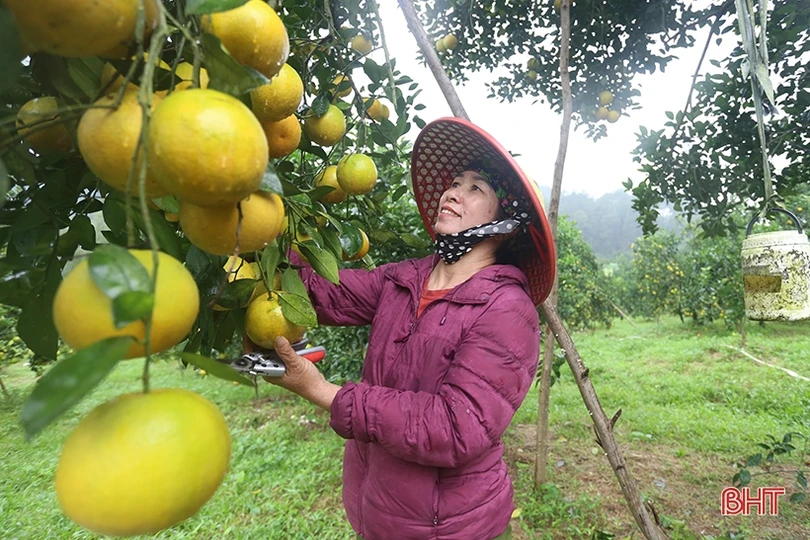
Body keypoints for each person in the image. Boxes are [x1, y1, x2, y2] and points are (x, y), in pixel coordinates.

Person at [249, 117, 556, 540]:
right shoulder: (407, 278)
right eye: (455, 182)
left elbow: (454, 428)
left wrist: (322, 391)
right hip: (378, 511)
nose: (452, 192)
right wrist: (259, 225)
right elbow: (322, 292)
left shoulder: (507, 310)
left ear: (506, 223)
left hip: (450, 527)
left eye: (475, 188)